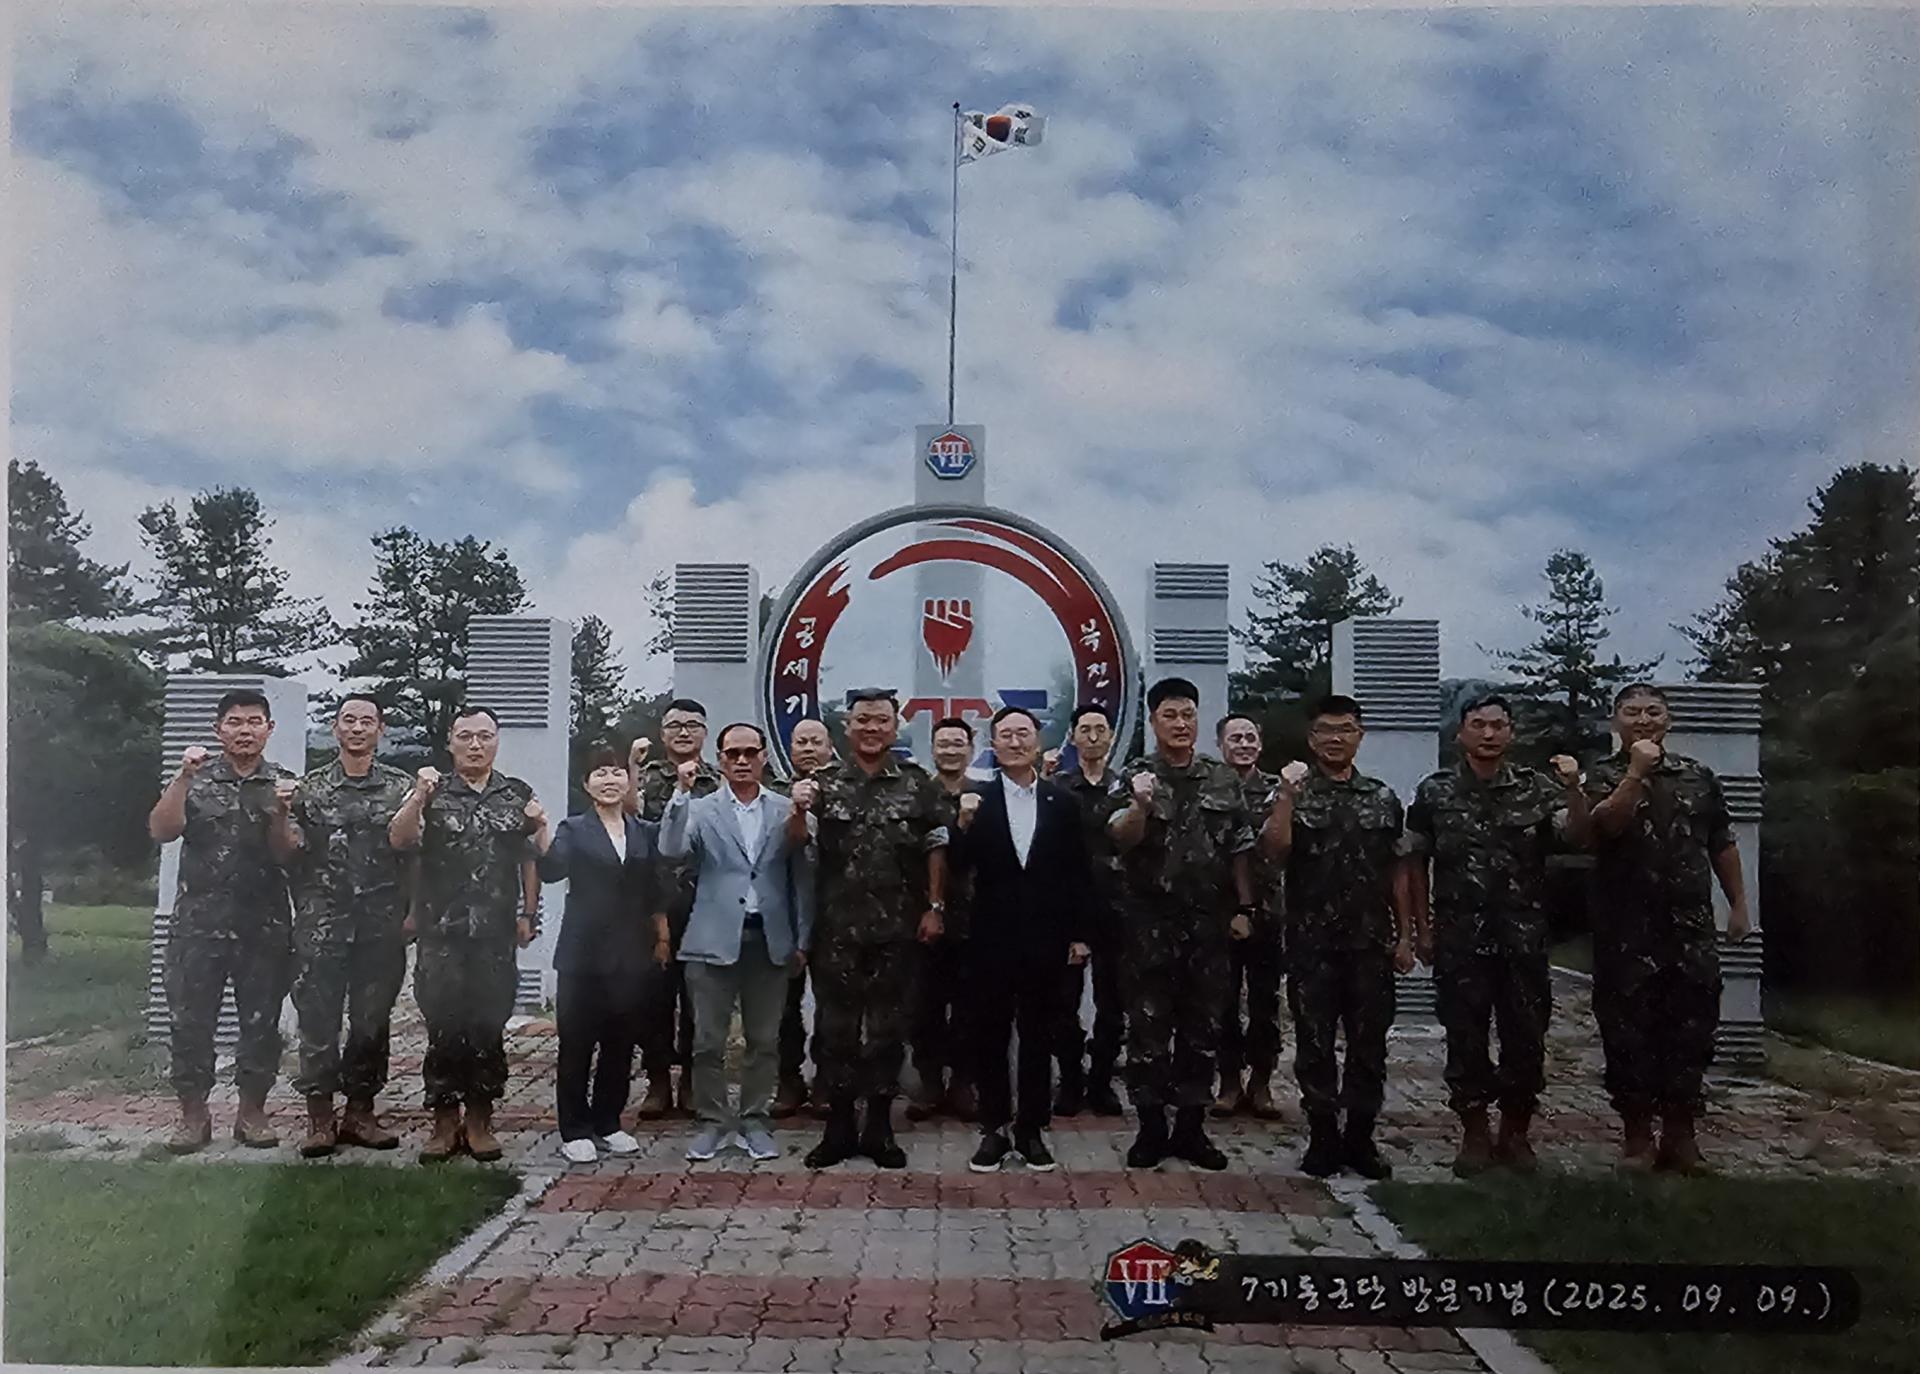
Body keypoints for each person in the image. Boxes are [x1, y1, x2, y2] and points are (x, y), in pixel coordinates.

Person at [1403, 696, 1588, 1175]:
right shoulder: (1435, 792)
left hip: (1522, 939)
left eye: (1498, 725)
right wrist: (1422, 929)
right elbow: (1416, 861)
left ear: (1511, 733)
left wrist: (1574, 789)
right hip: (1460, 938)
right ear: (1460, 733)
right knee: (1465, 1036)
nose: (1488, 734)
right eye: (1479, 724)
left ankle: (1515, 1132)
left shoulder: (1536, 788)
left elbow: (1577, 836)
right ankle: (1474, 1132)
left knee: (1526, 1037)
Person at [1583, 683, 1751, 1173]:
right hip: (1625, 930)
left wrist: (1739, 905)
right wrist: (1635, 772)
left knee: (1692, 1032)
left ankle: (1681, 1136)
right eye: (1632, 711)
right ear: (1616, 722)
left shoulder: (1698, 777)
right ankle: (1637, 1138)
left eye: (1653, 711)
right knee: (1626, 1034)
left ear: (1668, 721)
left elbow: (1721, 841)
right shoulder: (1601, 775)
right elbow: (1605, 826)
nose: (1643, 720)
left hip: (1689, 929)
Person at [787, 689, 949, 1169]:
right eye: (863, 720)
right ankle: (838, 1127)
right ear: (847, 728)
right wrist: (798, 810)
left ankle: (879, 1127)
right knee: (834, 1031)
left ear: (895, 728)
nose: (872, 728)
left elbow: (936, 845)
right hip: (836, 930)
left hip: (898, 930)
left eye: (881, 720)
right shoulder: (823, 785)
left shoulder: (918, 784)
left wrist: (935, 906)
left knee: (886, 1030)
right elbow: (795, 843)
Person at [1263, 695, 1415, 1179]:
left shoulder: (1382, 797)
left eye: (1345, 729)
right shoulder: (1294, 792)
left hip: (1370, 944)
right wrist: (1286, 797)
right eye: (1326, 730)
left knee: (1369, 1046)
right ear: (1311, 739)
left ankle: (1361, 1138)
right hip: (1312, 944)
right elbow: (1274, 851)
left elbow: (1397, 871)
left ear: (1360, 735)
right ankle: (1324, 1136)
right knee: (1315, 1044)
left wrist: (1406, 935)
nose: (1335, 738)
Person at [1109, 677, 1258, 1171]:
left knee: (1203, 1030)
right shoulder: (1135, 774)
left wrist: (1245, 908)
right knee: (1148, 1031)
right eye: (1169, 715)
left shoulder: (1222, 778)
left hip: (1208, 927)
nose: (1180, 724)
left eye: (1187, 715)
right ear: (1153, 722)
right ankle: (1151, 1128)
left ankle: (1191, 1129)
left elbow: (1240, 846)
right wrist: (1141, 805)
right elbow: (1120, 838)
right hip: (1148, 926)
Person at [389, 705, 547, 1163]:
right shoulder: (432, 791)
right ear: (450, 742)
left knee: (487, 1025)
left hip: (495, 932)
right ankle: (443, 1120)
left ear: (496, 741)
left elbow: (529, 859)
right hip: (442, 931)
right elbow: (402, 842)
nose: (475, 745)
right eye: (465, 736)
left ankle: (479, 1119)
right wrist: (418, 797)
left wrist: (528, 913)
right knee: (443, 1026)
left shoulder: (516, 794)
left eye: (484, 736)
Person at [147, 689, 298, 1153]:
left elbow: (288, 855)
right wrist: (182, 777)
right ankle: (193, 1115)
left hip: (263, 925)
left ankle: (252, 1113)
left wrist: (281, 813)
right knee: (190, 1023)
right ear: (218, 730)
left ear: (269, 729)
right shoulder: (194, 780)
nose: (244, 730)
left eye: (254, 721)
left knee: (261, 1024)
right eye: (234, 722)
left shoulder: (286, 784)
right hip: (198, 925)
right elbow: (162, 830)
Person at [660, 723, 815, 1162]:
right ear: (721, 759)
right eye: (733, 754)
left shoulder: (787, 808)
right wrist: (680, 793)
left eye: (750, 752)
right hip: (712, 939)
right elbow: (671, 849)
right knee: (707, 1042)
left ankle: (754, 1119)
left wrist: (803, 937)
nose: (742, 760)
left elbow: (803, 877)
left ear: (764, 756)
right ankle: (712, 1121)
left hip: (769, 938)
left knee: (763, 1041)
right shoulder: (701, 809)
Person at [269, 695, 414, 1157]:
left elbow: (415, 853)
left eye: (366, 721)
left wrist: (413, 912)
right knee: (318, 1021)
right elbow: (288, 853)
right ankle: (319, 1118)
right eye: (348, 720)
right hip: (322, 924)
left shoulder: (403, 788)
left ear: (380, 729)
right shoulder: (308, 789)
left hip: (380, 924)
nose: (356, 728)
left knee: (371, 1022)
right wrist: (280, 814)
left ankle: (360, 1113)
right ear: (335, 729)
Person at [950, 707, 1092, 1172]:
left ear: (1038, 741)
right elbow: (956, 866)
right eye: (1006, 735)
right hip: (990, 936)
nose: (1015, 742)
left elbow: (1078, 871)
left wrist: (1079, 934)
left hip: (1047, 936)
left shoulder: (1062, 801)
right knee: (989, 1034)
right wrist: (962, 824)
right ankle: (994, 1129)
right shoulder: (977, 799)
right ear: (993, 745)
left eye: (1023, 734)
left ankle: (1031, 1129)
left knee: (1038, 1035)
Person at [534, 745, 661, 1164]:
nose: (609, 780)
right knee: (577, 1044)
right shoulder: (574, 829)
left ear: (628, 780)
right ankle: (574, 1128)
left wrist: (659, 939)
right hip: (583, 956)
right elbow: (552, 870)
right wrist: (541, 828)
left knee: (620, 1044)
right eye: (600, 773)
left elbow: (654, 888)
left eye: (616, 772)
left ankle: (608, 1122)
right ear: (586, 785)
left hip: (631, 955)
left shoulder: (644, 831)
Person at [631, 701, 721, 1118]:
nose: (684, 732)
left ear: (705, 732)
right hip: (652, 902)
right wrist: (631, 767)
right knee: (653, 997)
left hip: (705, 900)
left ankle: (691, 1080)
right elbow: (627, 818)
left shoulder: (718, 780)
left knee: (699, 996)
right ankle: (657, 1080)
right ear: (662, 733)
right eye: (675, 725)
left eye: (692, 725)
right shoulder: (645, 777)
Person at [1048, 704, 1127, 1117]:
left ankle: (1101, 1080)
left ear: (1111, 736)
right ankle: (1069, 1080)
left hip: (1119, 907)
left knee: (1113, 1003)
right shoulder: (1057, 787)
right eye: (1085, 730)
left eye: (1101, 729)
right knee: (1064, 1001)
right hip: (1067, 908)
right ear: (1073, 737)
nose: (1093, 737)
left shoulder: (1126, 787)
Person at [1214, 714, 1286, 1120]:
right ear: (1220, 745)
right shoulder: (1210, 788)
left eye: (1250, 737)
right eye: (1235, 738)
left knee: (1264, 1003)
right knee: (1221, 1002)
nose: (1243, 744)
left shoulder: (1279, 788)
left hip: (1268, 910)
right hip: (1216, 910)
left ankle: (1261, 1082)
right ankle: (1228, 1082)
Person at [907, 717, 978, 1123]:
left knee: (971, 1006)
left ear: (971, 749)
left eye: (958, 743)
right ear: (932, 749)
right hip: (920, 918)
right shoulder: (917, 794)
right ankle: (930, 1083)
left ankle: (964, 1083)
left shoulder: (986, 796)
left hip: (976, 918)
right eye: (943, 743)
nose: (951, 750)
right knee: (924, 1008)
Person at [773, 717, 835, 1118]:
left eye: (816, 741)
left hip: (835, 913)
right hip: (785, 912)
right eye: (801, 742)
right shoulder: (772, 792)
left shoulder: (845, 790)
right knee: (783, 1005)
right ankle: (789, 1080)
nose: (809, 749)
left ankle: (827, 1081)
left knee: (832, 1004)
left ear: (830, 748)